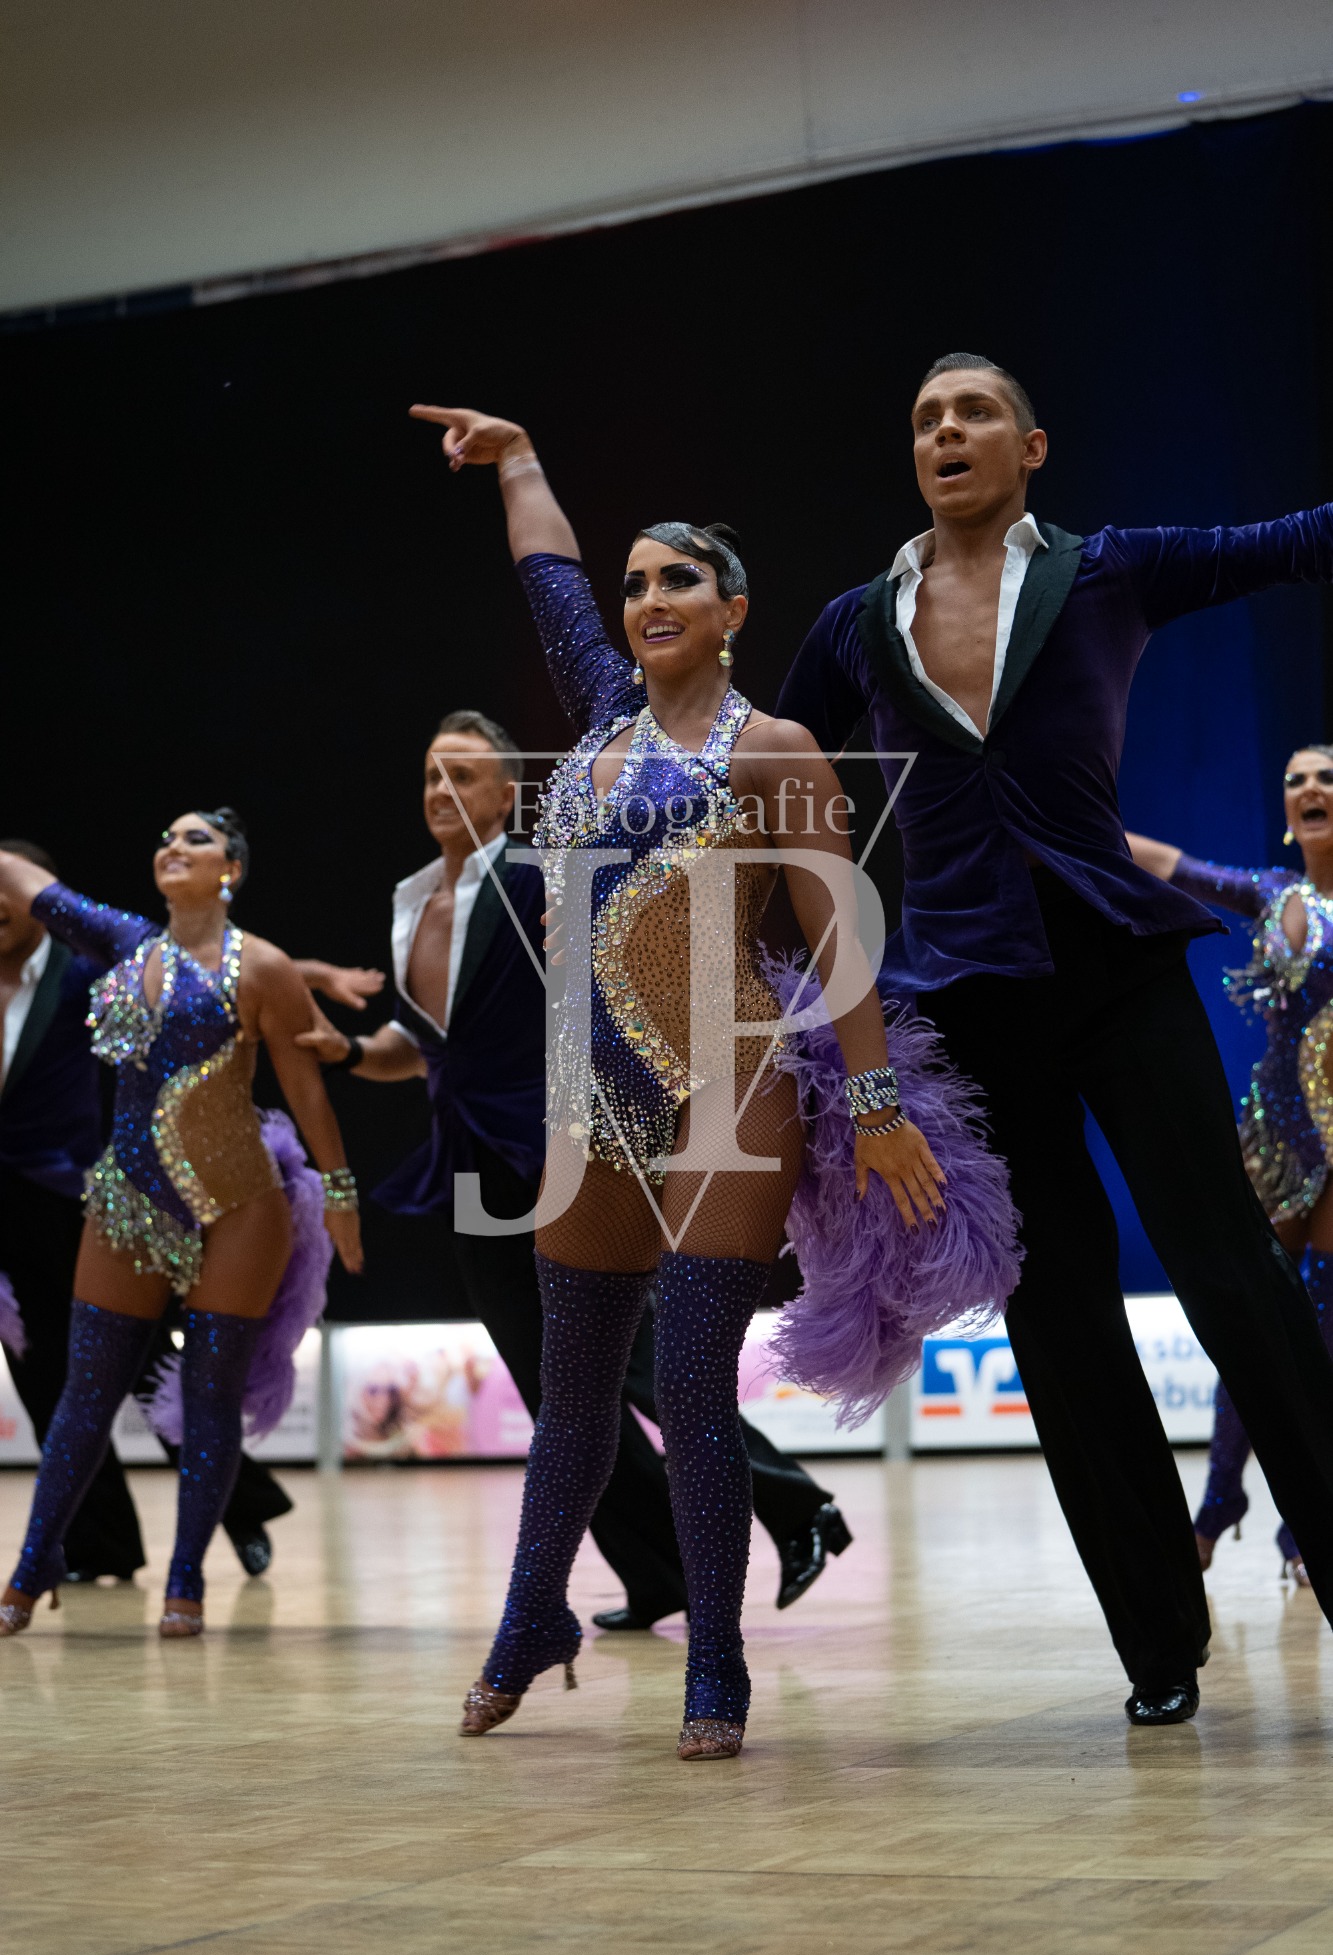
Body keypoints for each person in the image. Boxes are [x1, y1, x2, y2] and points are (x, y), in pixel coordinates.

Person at [407, 402, 1019, 1759]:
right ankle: (531, 1618)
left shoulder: (774, 750)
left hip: (728, 1080)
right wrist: (518, 461)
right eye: (635, 583)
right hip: (594, 1091)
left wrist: (874, 1109)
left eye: (676, 577)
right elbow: (547, 576)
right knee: (572, 1395)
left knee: (688, 1383)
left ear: (732, 609)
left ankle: (718, 1660)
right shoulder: (601, 722)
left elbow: (840, 941)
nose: (646, 600)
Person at [776, 349, 1333, 1726]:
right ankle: (1158, 1641)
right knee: (1060, 1323)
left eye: (973, 412)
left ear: (1029, 448)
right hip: (965, 1004)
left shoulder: (1105, 571)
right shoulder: (855, 625)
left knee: (1233, 1276)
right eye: (925, 418)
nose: (945, 430)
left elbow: (1291, 540)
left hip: (1118, 970)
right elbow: (770, 769)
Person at [297, 710, 855, 1629]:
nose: (442, 791)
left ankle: (796, 1508)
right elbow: (430, 1043)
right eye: (432, 775)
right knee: (548, 1385)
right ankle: (657, 1571)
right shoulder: (411, 899)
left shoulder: (537, 876)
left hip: (564, 1143)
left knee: (629, 1366)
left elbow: (612, 983)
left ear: (506, 793)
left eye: (463, 776)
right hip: (469, 1159)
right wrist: (352, 1054)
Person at [0, 810, 362, 1639]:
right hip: (129, 1200)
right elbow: (21, 876)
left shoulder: (261, 965)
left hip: (238, 1205)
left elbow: (305, 1091)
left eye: (196, 839)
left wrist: (340, 1194)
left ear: (231, 869)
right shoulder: (124, 943)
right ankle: (33, 1563)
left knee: (208, 1397)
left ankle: (187, 1577)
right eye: (166, 837)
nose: (173, 846)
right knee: (84, 1396)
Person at [1129, 745, 1333, 1585]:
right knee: (1255, 1318)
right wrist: (1053, 820)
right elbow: (1165, 864)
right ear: (1286, 813)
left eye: (1324, 777)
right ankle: (1218, 1499)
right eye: (1294, 780)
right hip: (1279, 1132)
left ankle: (1306, 1517)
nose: (1309, 788)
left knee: (1320, 1323)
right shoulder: (1272, 893)